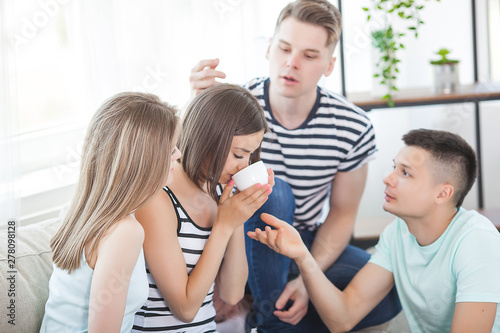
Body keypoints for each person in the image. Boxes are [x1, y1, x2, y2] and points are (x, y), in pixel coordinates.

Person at [189, 0, 401, 331]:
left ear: (329, 66)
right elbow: (189, 177)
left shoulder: (352, 126)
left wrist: (307, 278)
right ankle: (274, 323)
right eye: (284, 48)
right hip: (237, 237)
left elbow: (342, 214)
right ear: (269, 48)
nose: (291, 63)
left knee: (386, 293)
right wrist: (197, 104)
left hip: (302, 242)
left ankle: (260, 311)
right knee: (272, 193)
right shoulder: (236, 105)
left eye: (309, 55)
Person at [249, 129, 500, 333]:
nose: (387, 179)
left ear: (442, 193)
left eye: (405, 173)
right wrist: (303, 256)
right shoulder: (397, 234)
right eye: (394, 167)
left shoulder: (476, 241)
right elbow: (343, 317)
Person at [132, 84, 274, 332]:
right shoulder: (157, 198)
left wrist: (238, 217)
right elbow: (185, 309)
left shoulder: (218, 191)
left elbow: (232, 294)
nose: (245, 166)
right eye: (239, 154)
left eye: (251, 156)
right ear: (209, 138)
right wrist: (224, 225)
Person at [40, 92, 180, 332]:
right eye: (170, 150)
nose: (178, 154)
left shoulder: (81, 211)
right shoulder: (125, 232)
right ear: (143, 160)